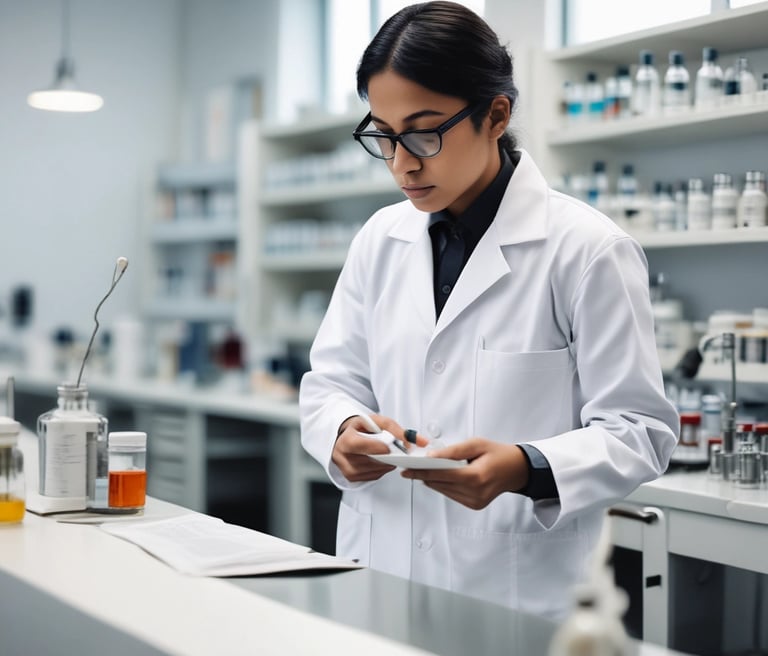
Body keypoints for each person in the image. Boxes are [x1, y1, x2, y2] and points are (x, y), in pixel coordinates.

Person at [299, 1, 678, 620]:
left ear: (496, 115)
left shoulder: (586, 249)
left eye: (423, 133)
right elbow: (330, 382)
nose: (402, 162)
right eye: (384, 135)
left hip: (511, 592)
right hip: (380, 568)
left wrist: (526, 467)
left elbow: (640, 430)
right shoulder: (379, 239)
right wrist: (341, 429)